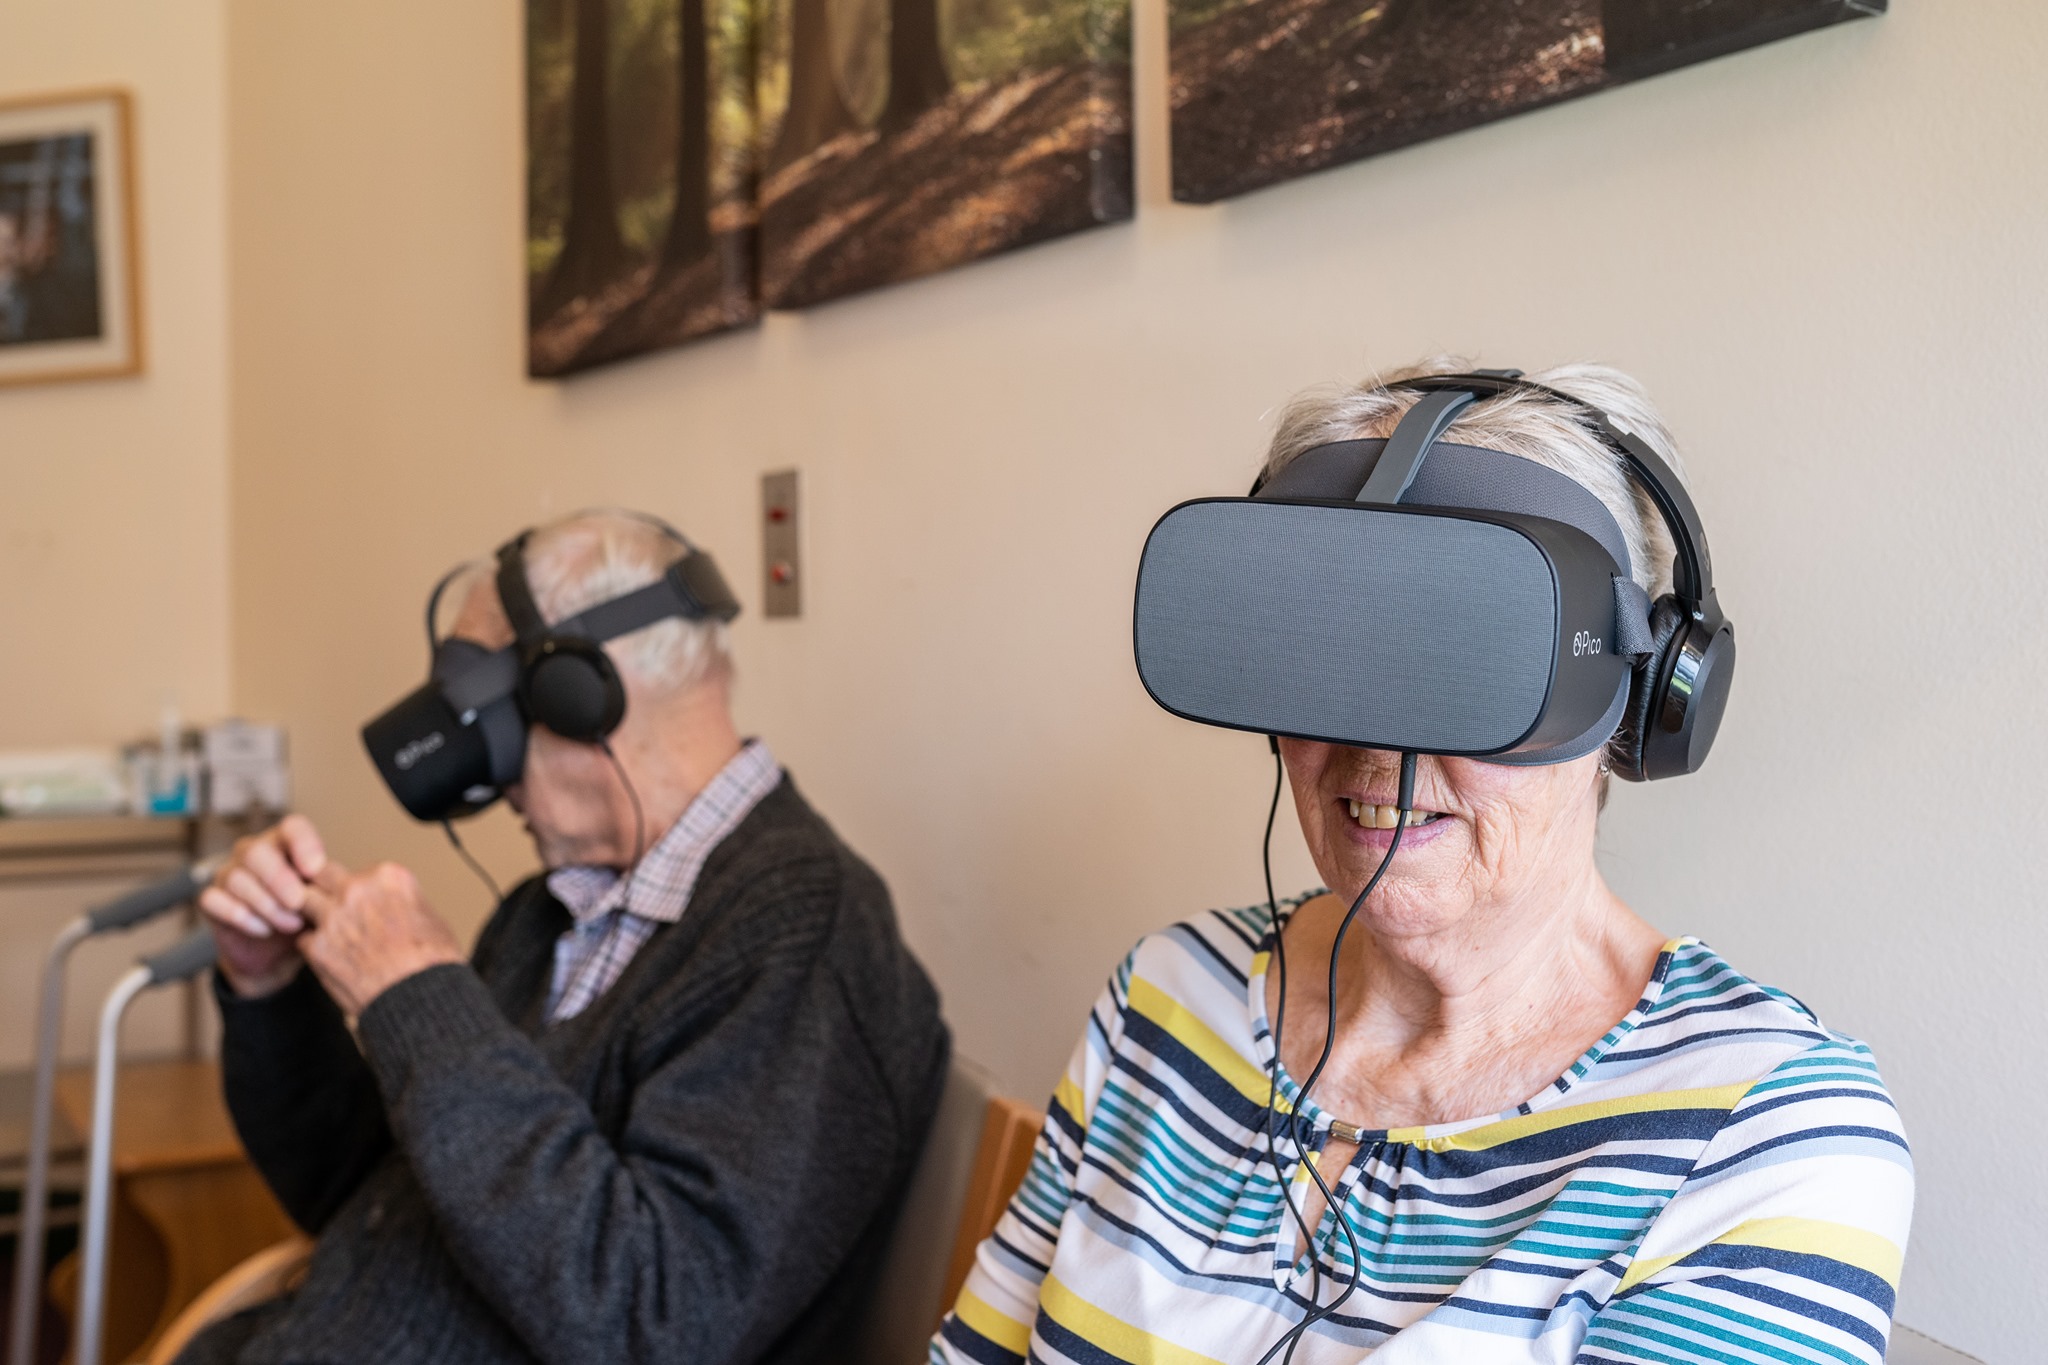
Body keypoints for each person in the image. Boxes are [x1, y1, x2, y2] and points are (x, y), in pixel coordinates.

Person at [934, 363, 1912, 1365]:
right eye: (1326, 656)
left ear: (1640, 699)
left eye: (1466, 664)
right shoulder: (1169, 993)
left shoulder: (1767, 1134)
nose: (1377, 755)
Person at [190, 510, 950, 1365]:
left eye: (485, 713)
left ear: (581, 693)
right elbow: (359, 1193)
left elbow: (654, 1321)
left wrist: (421, 997)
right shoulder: (546, 913)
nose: (482, 771)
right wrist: (269, 989)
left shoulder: (801, 936)